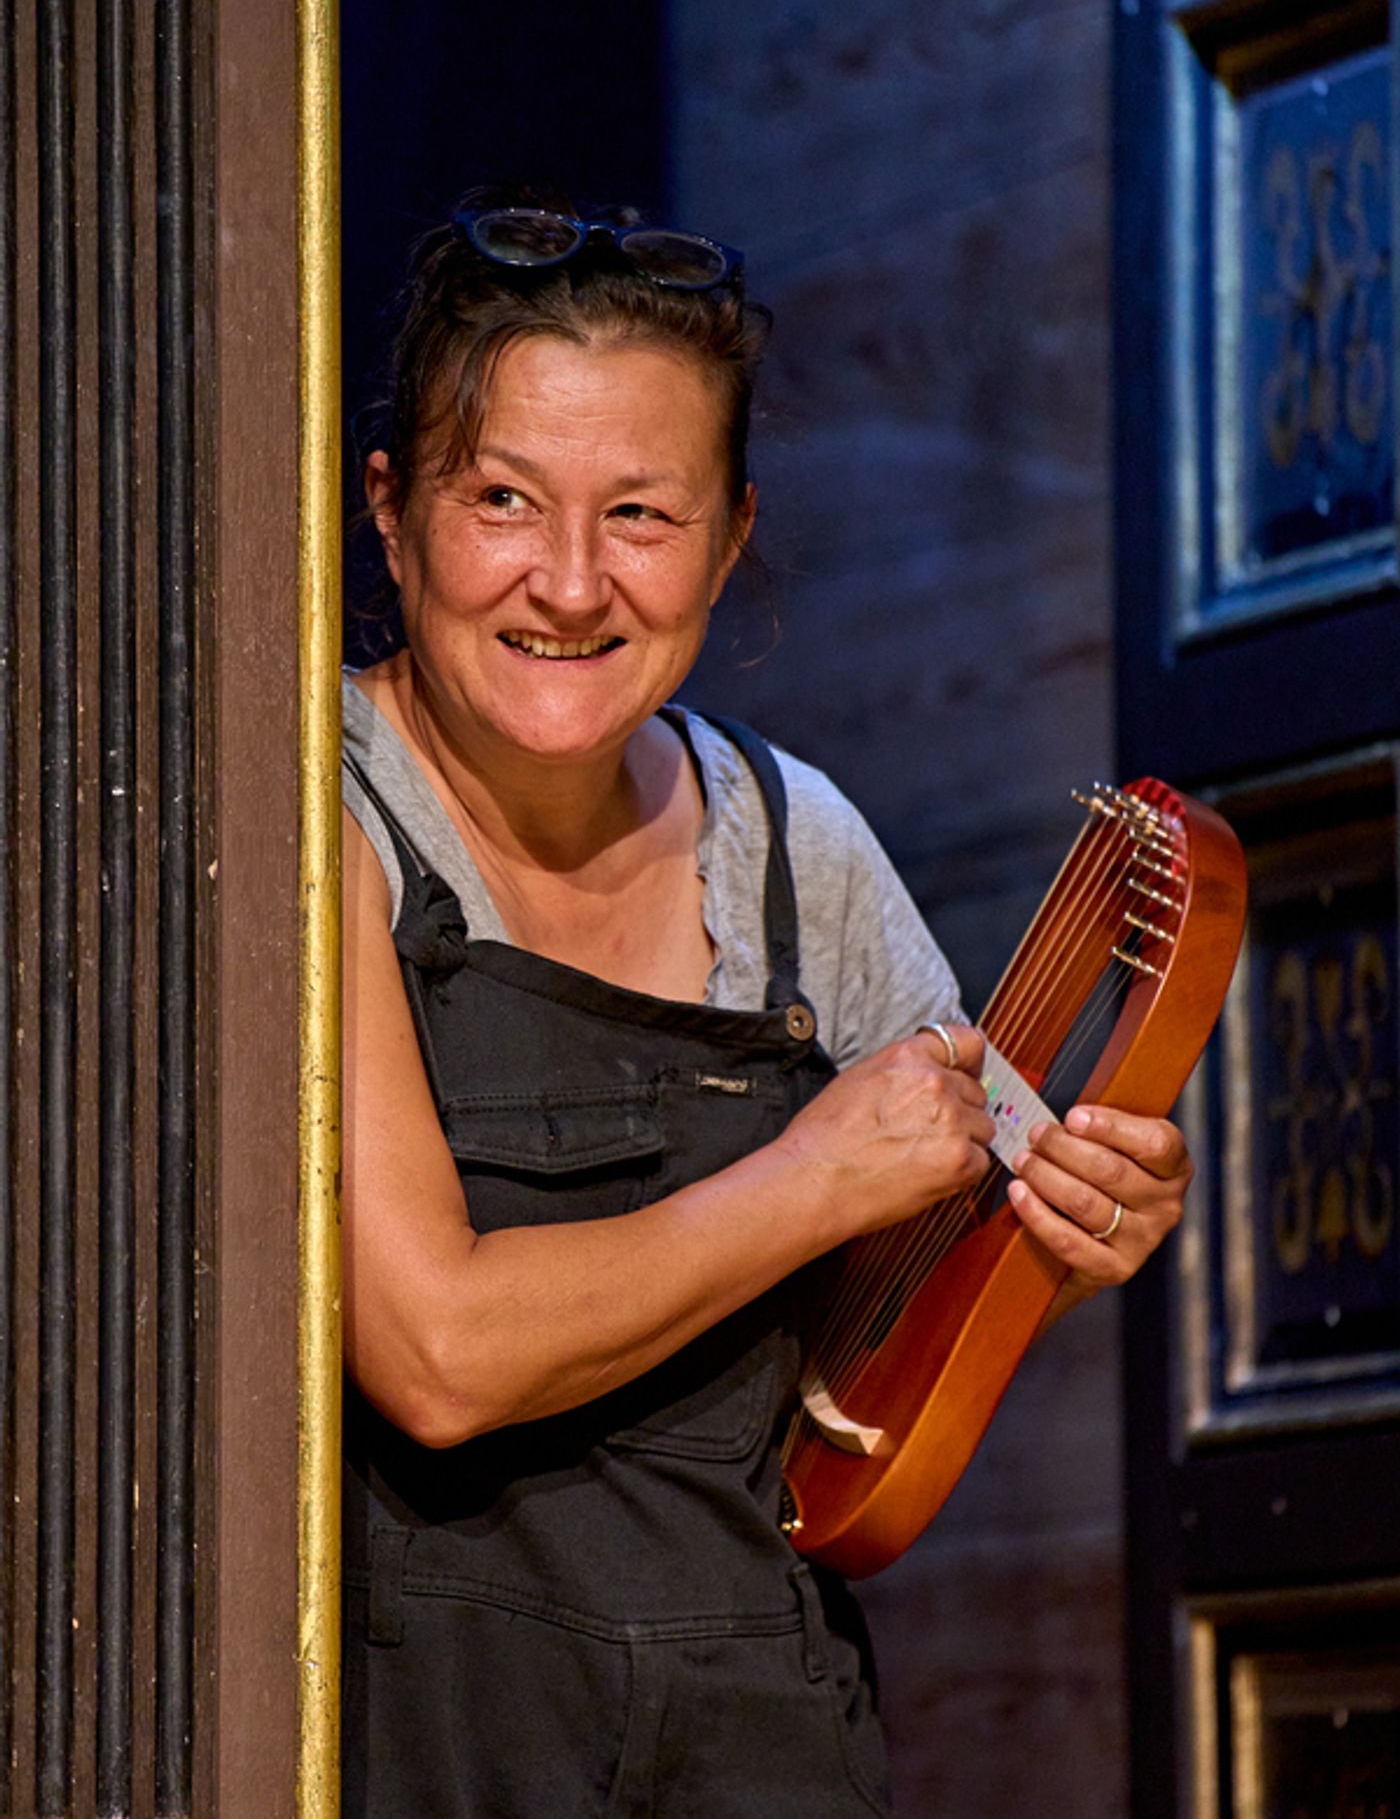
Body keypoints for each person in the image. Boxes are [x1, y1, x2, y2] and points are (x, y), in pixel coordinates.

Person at [340, 190, 1193, 1819]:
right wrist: (810, 1179)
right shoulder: (318, 816)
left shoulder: (798, 842)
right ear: (392, 515)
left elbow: (906, 1294)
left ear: (732, 536)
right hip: (425, 1737)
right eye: (503, 498)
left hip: (755, 1729)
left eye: (645, 517)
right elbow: (436, 1354)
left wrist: (1073, 1234)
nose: (573, 584)